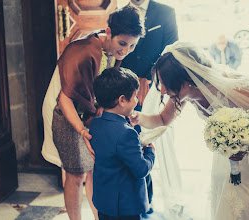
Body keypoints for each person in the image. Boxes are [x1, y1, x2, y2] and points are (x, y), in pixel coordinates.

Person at [131, 41, 249, 220]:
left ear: (187, 81)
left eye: (167, 84)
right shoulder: (184, 93)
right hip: (229, 155)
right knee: (226, 198)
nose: (163, 91)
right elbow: (163, 119)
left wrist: (244, 147)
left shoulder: (234, 89)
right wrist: (138, 117)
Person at [41, 6, 145, 220]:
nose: (125, 51)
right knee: (76, 173)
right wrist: (82, 131)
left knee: (94, 170)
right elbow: (65, 98)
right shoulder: (84, 52)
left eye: (132, 45)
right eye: (122, 44)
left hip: (90, 112)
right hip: (64, 112)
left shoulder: (112, 50)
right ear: (108, 33)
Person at [120, 0, 178, 213]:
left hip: (156, 87)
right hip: (125, 91)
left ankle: (148, 201)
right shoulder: (120, 13)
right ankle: (142, 199)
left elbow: (172, 51)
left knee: (152, 140)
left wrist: (149, 76)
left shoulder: (166, 12)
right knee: (131, 141)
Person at [90, 67, 155, 220]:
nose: (137, 101)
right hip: (126, 207)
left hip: (104, 201)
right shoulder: (127, 133)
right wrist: (150, 151)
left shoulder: (95, 123)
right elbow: (141, 170)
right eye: (134, 97)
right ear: (122, 100)